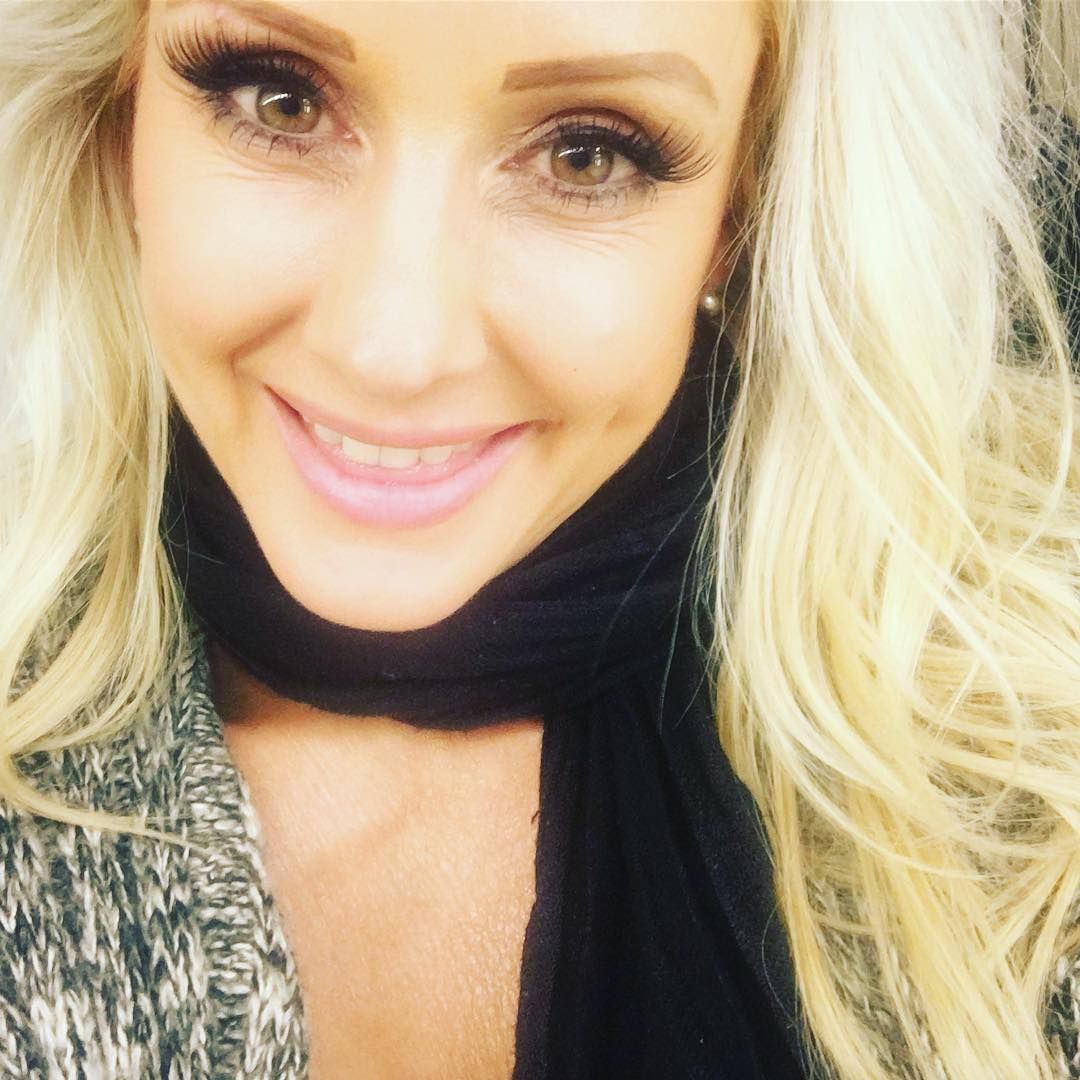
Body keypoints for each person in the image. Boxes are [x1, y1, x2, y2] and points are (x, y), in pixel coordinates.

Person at [0, 1, 1078, 1078]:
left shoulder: (1037, 793)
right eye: (279, 101)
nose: (392, 349)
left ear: (739, 208)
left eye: (585, 154)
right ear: (122, 112)